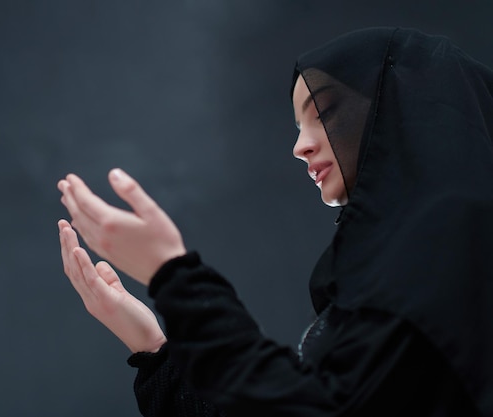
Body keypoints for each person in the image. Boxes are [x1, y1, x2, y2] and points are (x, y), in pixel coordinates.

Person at [56, 27, 493, 416]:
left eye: (321, 113)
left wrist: (174, 275)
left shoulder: (454, 239)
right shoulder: (394, 261)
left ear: (400, 110)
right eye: (297, 123)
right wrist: (154, 347)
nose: (299, 146)